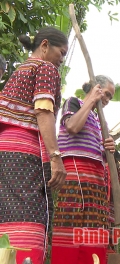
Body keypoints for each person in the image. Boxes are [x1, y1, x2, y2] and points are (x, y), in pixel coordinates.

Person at [0, 27, 68, 264]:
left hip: (5, 150)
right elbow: (43, 110)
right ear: (45, 45)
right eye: (62, 52)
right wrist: (56, 156)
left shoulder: (21, 70)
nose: (62, 59)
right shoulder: (45, 68)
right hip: (24, 152)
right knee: (30, 213)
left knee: (8, 212)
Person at [51, 75, 116, 264]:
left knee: (93, 230)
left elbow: (100, 154)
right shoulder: (74, 103)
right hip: (75, 175)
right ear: (96, 88)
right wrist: (91, 101)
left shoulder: (99, 121)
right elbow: (72, 127)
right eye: (106, 94)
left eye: (110, 97)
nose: (107, 100)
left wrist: (108, 147)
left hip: (95, 181)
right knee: (70, 226)